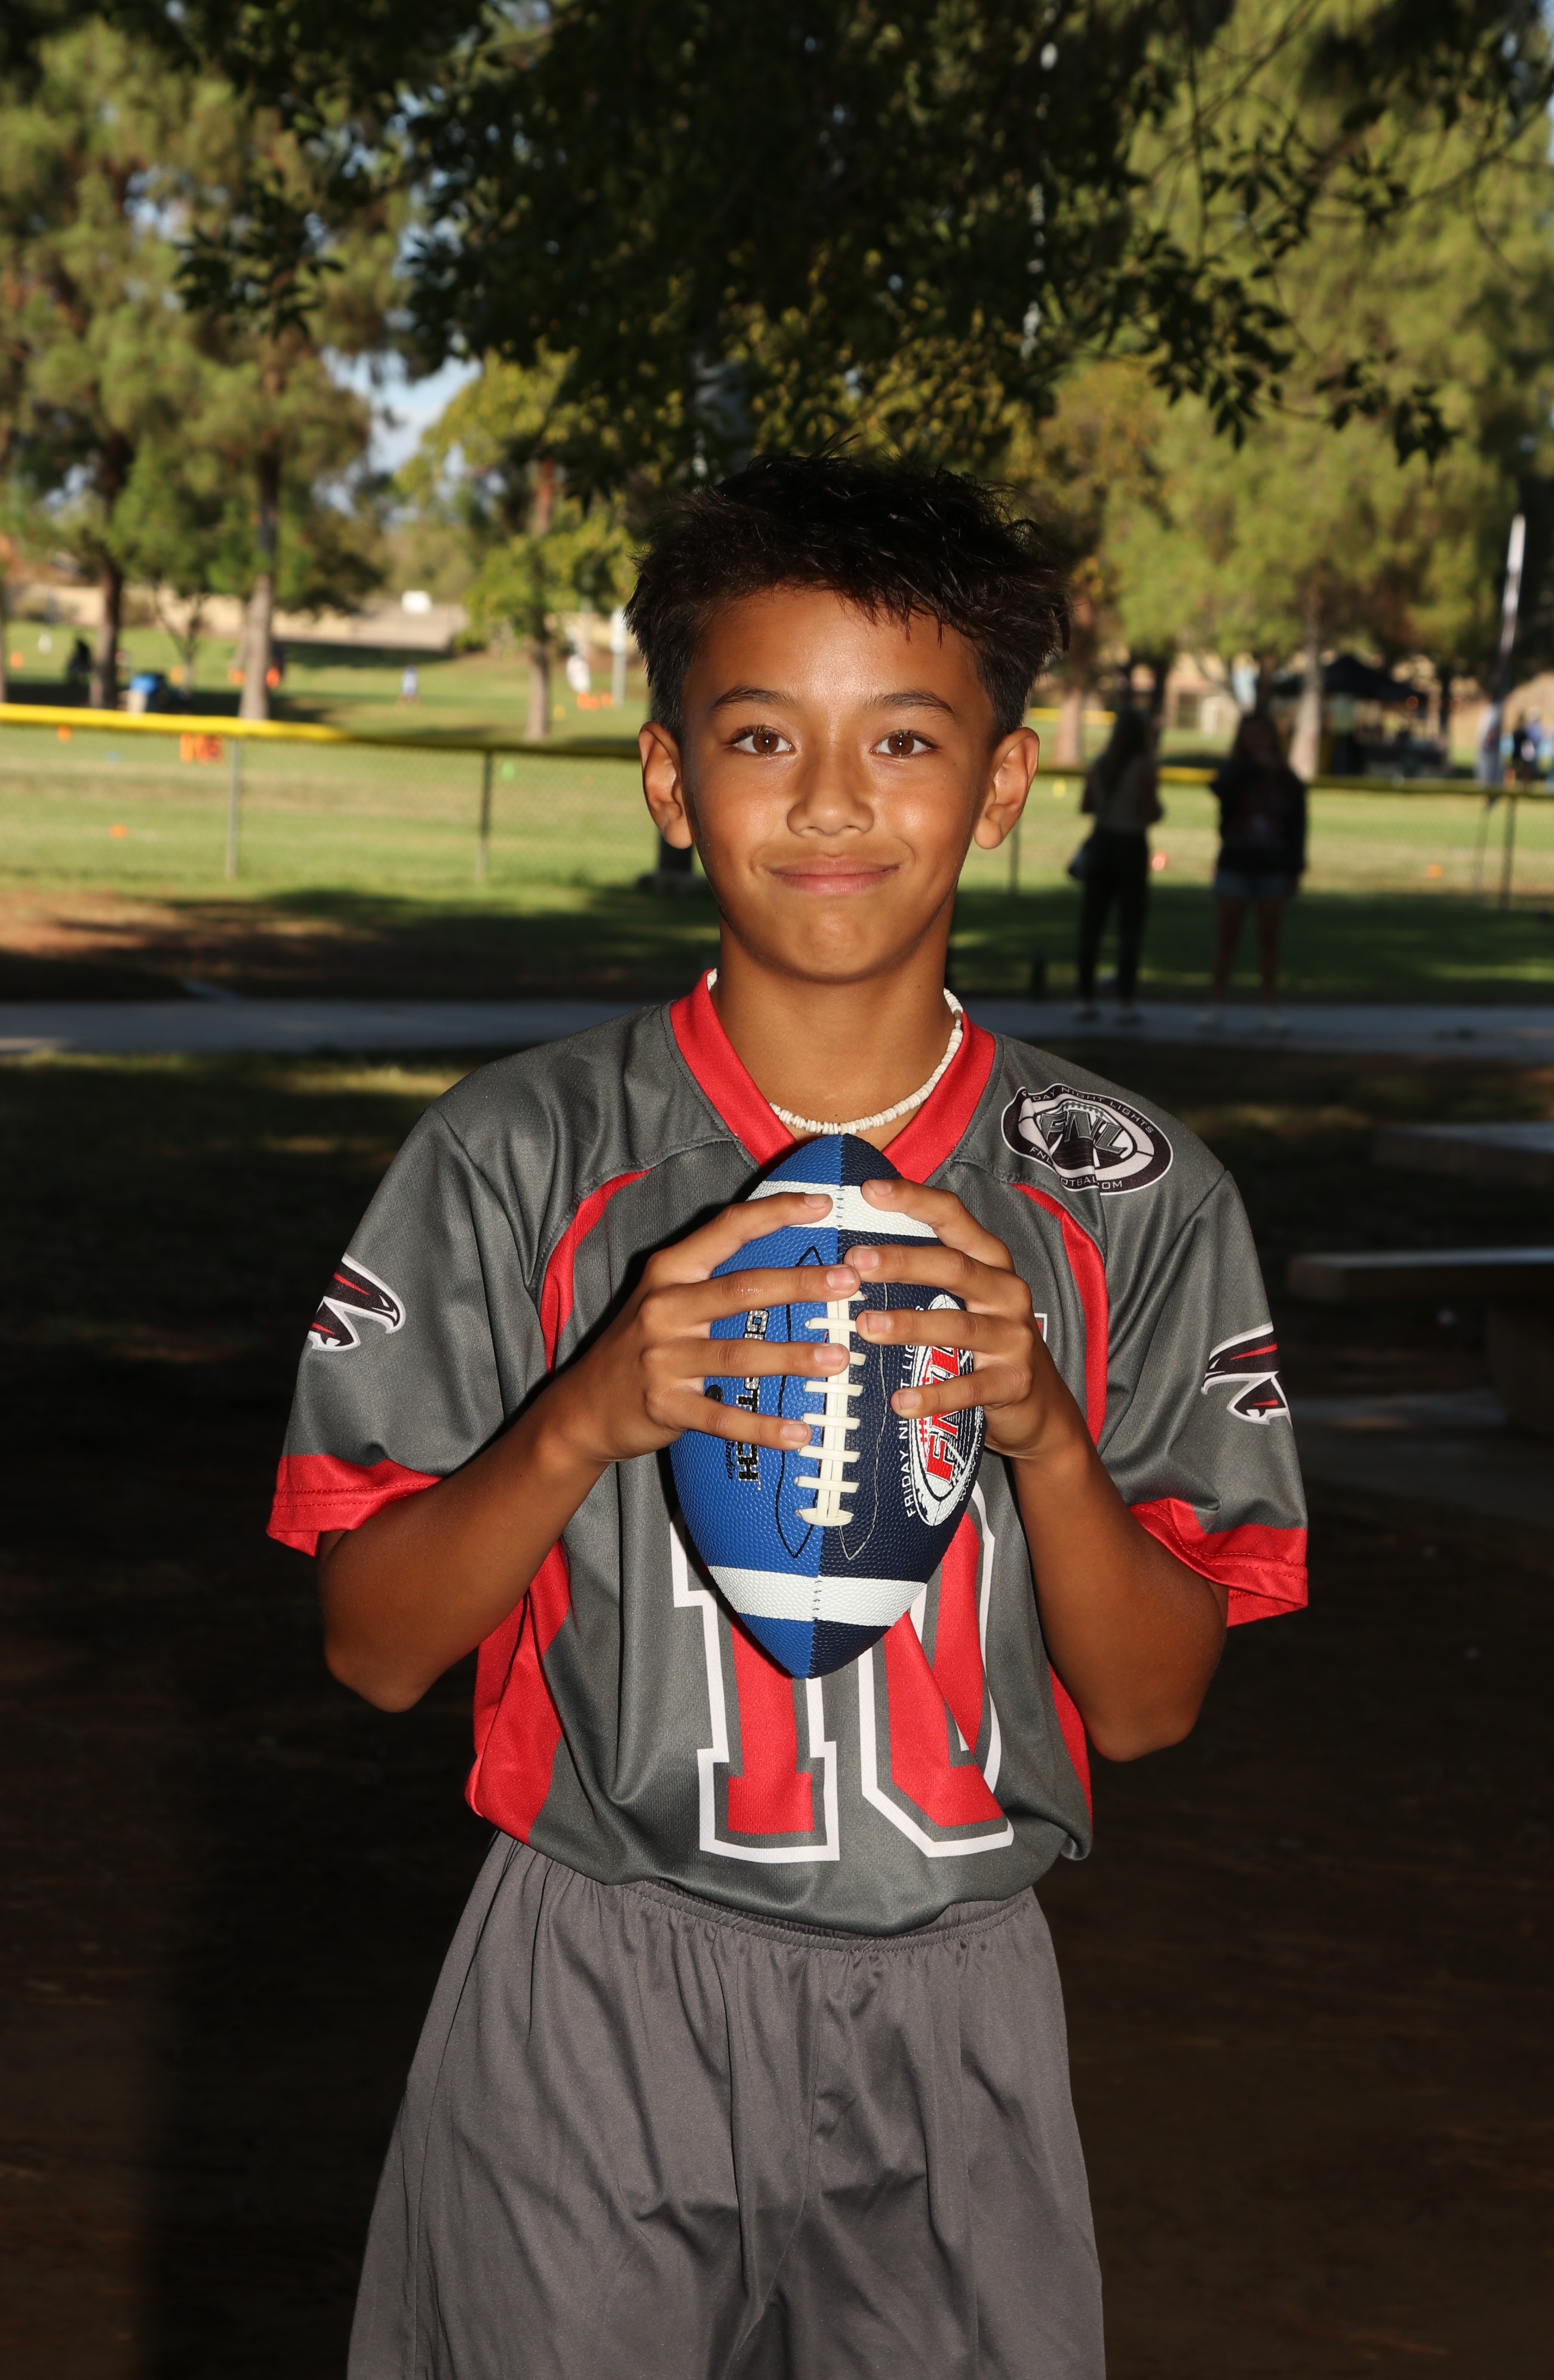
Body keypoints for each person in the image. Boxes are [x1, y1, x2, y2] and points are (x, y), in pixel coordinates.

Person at [269, 456, 1307, 2380]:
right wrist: (585, 1415)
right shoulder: (517, 1156)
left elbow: (1155, 1703)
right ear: (670, 779)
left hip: (959, 2002)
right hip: (593, 1981)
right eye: (762, 736)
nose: (832, 800)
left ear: (1003, 782)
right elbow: (373, 1647)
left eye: (904, 739)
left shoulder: (1131, 1194)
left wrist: (1044, 1436)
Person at [1201, 711, 1308, 1032]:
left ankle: (1269, 1008)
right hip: (1236, 863)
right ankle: (1215, 1005)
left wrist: (1295, 869)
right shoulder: (1235, 771)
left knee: (1270, 940)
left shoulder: (1287, 778)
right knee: (1226, 937)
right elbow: (1221, 791)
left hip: (1273, 867)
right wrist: (1253, 769)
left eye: (1262, 734)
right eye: (1250, 735)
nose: (1257, 741)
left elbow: (1298, 827)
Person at [1073, 705, 1162, 1026]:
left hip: (1102, 843)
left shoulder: (1101, 764)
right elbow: (1151, 813)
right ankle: (1125, 1002)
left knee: (1092, 924)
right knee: (1130, 927)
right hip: (1131, 846)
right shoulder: (1143, 767)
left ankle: (1084, 999)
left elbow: (1086, 805)